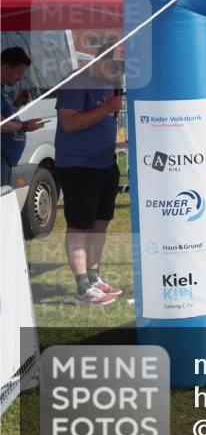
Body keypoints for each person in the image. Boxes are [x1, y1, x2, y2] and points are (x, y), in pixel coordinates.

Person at [55, 56, 124, 305]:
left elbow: (103, 123)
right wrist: (107, 107)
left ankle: (94, 277)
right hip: (78, 165)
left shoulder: (112, 83)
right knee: (79, 225)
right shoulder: (77, 81)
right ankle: (82, 286)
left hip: (105, 162)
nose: (117, 73)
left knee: (101, 223)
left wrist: (117, 143)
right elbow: (70, 122)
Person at [1, 47, 45, 188]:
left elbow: (5, 116)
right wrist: (24, 126)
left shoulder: (2, 89)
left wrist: (17, 103)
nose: (19, 78)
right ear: (6, 68)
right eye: (18, 73)